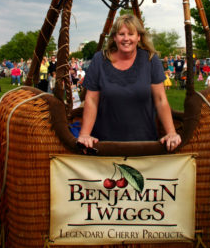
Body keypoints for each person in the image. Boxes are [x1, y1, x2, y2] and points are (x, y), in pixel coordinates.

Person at [77, 14, 181, 152]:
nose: (126, 38)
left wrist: (171, 132)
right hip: (104, 144)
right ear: (114, 37)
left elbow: (161, 99)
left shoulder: (150, 59)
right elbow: (91, 100)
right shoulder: (99, 60)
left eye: (131, 34)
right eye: (121, 34)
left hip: (144, 143)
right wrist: (84, 134)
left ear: (138, 37)